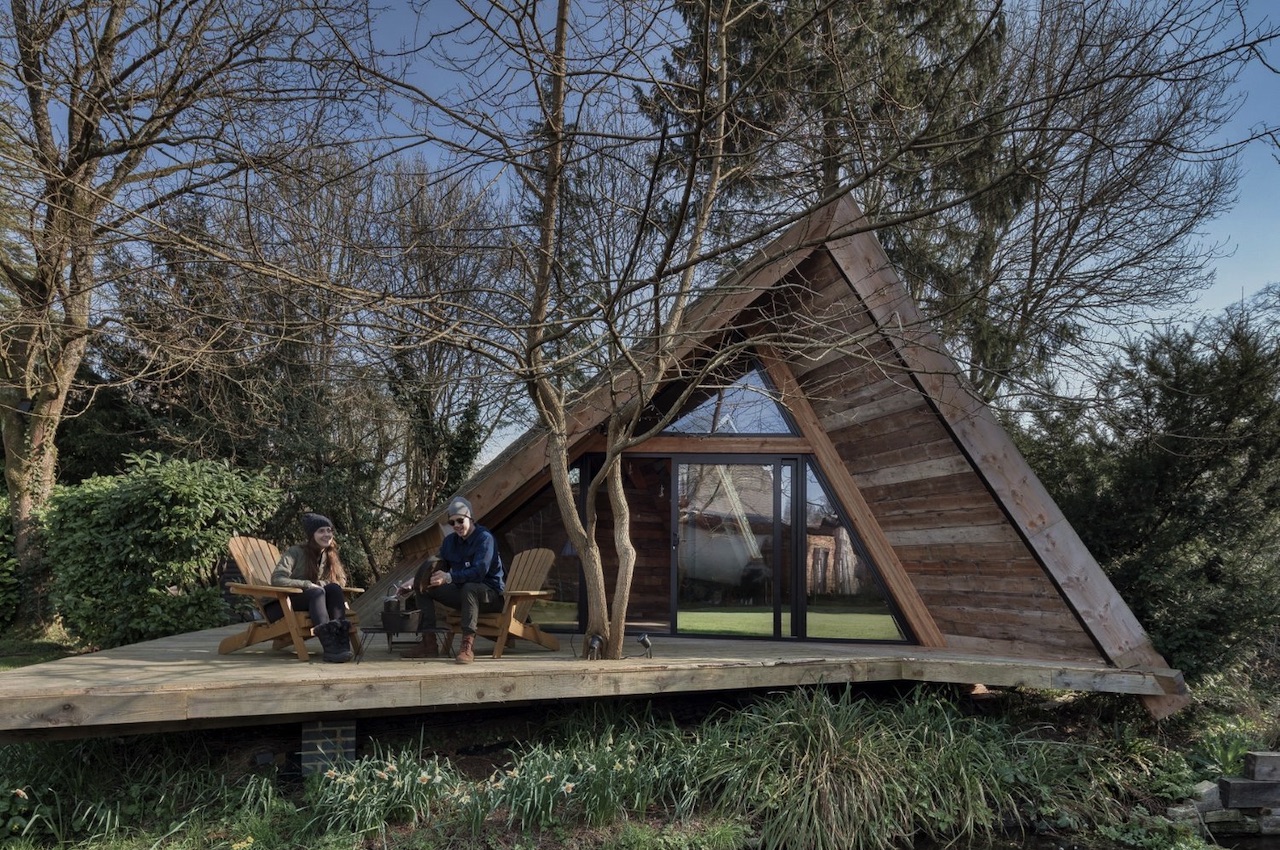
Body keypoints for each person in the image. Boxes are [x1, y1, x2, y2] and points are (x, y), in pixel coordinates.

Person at [402, 496, 504, 664]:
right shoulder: (450, 542)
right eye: (452, 522)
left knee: (470, 587)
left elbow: (479, 573)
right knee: (423, 587)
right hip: (463, 594)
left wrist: (449, 577)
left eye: (460, 520)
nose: (456, 525)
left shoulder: (485, 538)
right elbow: (436, 565)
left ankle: (467, 646)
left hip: (490, 597)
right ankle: (429, 643)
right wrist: (416, 580)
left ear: (470, 518)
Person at [272, 512, 354, 663]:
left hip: (313, 600)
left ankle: (341, 645)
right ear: (311, 535)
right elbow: (277, 579)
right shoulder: (295, 552)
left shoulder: (329, 554)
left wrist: (322, 585)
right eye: (321, 531)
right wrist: (306, 584)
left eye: (329, 530)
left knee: (334, 589)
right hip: (282, 604)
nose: (327, 534)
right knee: (316, 592)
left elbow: (341, 580)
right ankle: (330, 649)